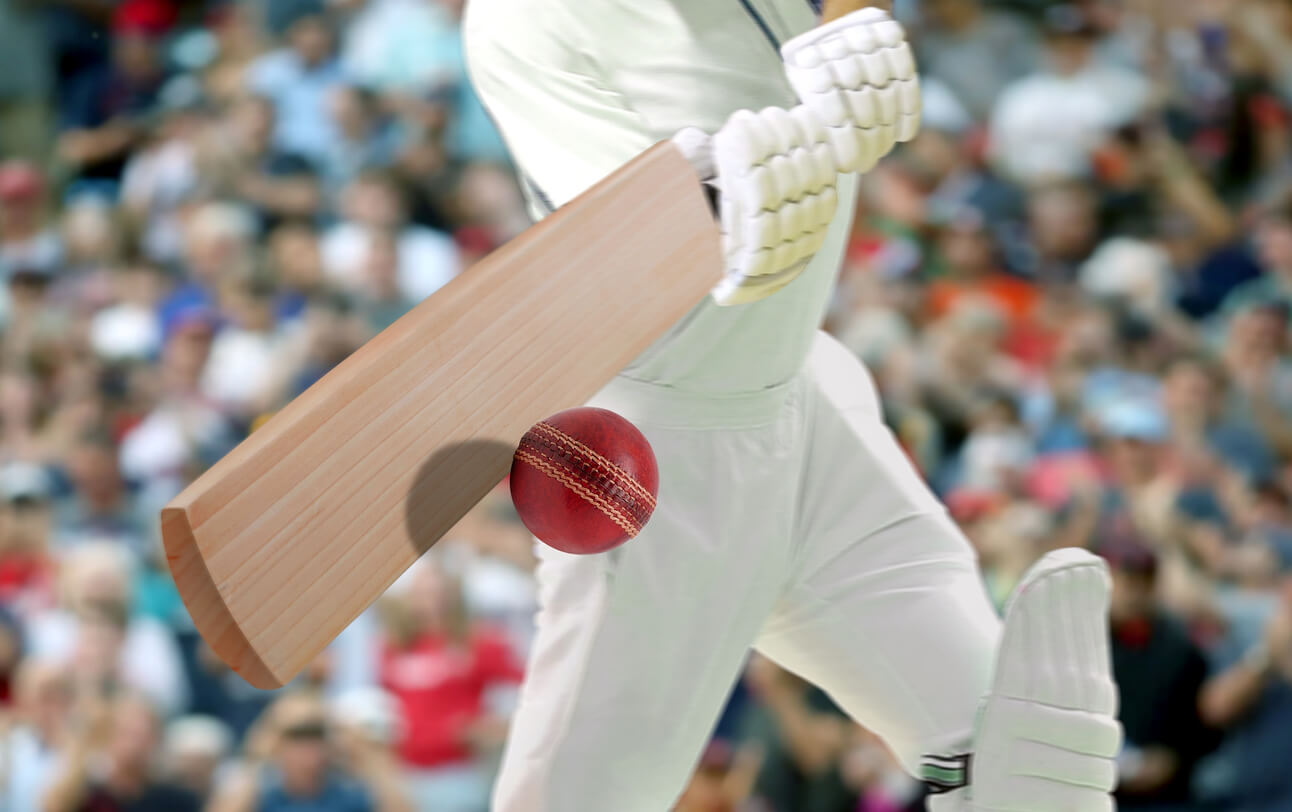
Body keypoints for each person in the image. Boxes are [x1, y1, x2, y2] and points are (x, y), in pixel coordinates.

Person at [464, 2, 1120, 810]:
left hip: (803, 400)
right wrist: (725, 187)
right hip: (660, 447)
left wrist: (851, 16)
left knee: (1022, 757)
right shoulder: (525, 21)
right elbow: (647, 236)